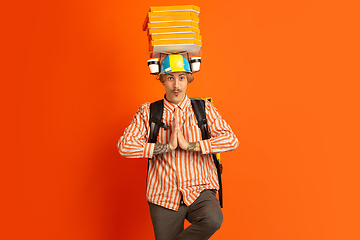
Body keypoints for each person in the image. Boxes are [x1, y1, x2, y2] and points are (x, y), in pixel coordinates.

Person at [117, 54, 239, 240]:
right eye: (170, 78)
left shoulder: (203, 109)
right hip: (163, 195)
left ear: (188, 79)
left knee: (213, 219)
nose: (176, 85)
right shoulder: (148, 112)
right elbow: (125, 146)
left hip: (199, 191)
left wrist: (192, 145)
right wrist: (165, 146)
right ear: (163, 80)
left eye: (181, 78)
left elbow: (231, 140)